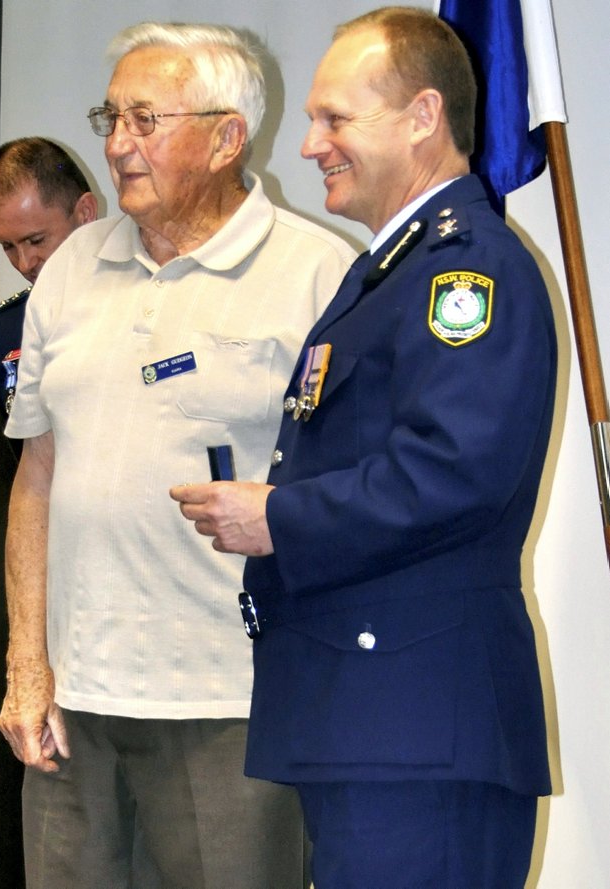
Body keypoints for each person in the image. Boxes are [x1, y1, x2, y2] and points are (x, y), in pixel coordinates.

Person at [173, 8, 557, 889]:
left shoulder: (468, 270)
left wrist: (278, 517)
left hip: (417, 724)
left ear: (423, 116)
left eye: (334, 118)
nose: (309, 144)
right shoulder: (390, 272)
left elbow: (453, 470)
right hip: (372, 720)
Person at [0, 21, 356, 889]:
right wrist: (26, 664)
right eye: (111, 116)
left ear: (228, 135)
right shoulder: (71, 270)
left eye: (146, 120)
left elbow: (355, 491)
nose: (118, 143)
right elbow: (35, 475)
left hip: (233, 704)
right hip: (72, 710)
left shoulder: (320, 275)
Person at [0, 137, 98, 415]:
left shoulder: (138, 302)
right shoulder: (9, 324)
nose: (24, 263)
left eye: (36, 240)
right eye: (8, 246)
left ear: (85, 214)